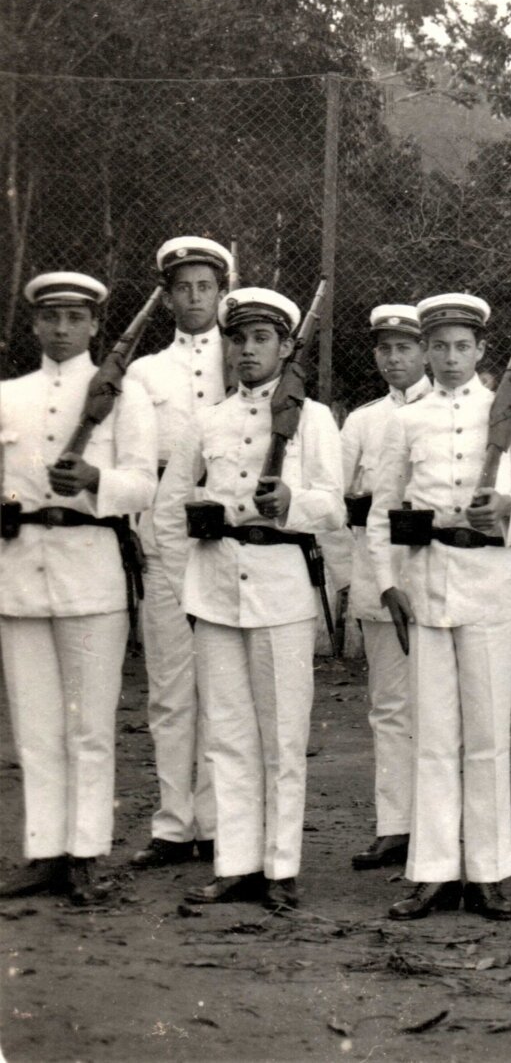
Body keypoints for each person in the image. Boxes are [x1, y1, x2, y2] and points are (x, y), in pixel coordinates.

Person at [377, 293, 511, 923]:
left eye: (462, 347)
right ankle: (431, 872)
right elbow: (383, 507)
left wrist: (509, 511)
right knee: (431, 735)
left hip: (487, 583)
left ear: (481, 351)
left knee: (484, 735)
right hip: (426, 582)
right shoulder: (407, 420)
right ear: (426, 352)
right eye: (439, 347)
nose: (450, 359)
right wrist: (385, 581)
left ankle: (486, 871)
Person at [168, 286, 345, 911]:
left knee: (282, 734)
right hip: (215, 585)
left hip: (279, 586)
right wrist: (188, 567)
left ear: (285, 347)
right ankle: (236, 863)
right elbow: (170, 507)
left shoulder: (313, 419)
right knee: (229, 735)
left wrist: (293, 505)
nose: (247, 350)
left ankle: (280, 867)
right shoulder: (208, 420)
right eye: (238, 338)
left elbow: (334, 502)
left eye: (261, 338)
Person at [0, 272, 157, 905]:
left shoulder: (125, 396)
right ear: (34, 324)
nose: (62, 329)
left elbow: (145, 484)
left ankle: (87, 851)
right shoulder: (8, 396)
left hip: (91, 569)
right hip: (18, 571)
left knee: (88, 726)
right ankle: (45, 851)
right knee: (34, 728)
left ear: (96, 324)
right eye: (51, 317)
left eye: (75, 318)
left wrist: (95, 478)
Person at [126, 235, 233, 870]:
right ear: (166, 297)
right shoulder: (146, 373)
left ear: (221, 292)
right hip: (165, 529)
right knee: (170, 684)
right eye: (183, 288)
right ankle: (173, 824)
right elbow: (140, 464)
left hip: (227, 530)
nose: (194, 299)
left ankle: (219, 821)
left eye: (205, 287)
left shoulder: (247, 356)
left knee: (223, 683)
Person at [338, 303, 429, 875]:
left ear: (424, 352)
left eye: (405, 348)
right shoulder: (362, 422)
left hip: (439, 574)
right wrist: (353, 579)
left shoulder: (454, 410)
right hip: (380, 575)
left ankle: (443, 826)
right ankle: (395, 826)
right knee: (391, 707)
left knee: (445, 707)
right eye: (385, 349)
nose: (394, 358)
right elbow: (340, 501)